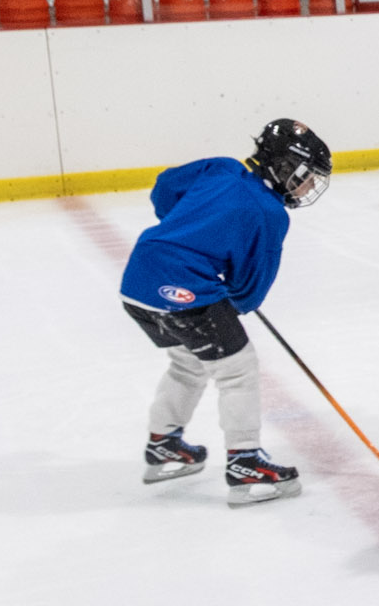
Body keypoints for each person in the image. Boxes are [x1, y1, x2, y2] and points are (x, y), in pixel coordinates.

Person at [118, 119, 330, 504]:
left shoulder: (221, 167)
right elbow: (248, 293)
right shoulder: (270, 211)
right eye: (307, 175)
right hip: (181, 289)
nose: (310, 185)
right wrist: (216, 282)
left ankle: (164, 444)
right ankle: (245, 461)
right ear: (285, 166)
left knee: (189, 363)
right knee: (238, 369)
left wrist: (189, 230)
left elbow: (165, 188)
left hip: (137, 281)